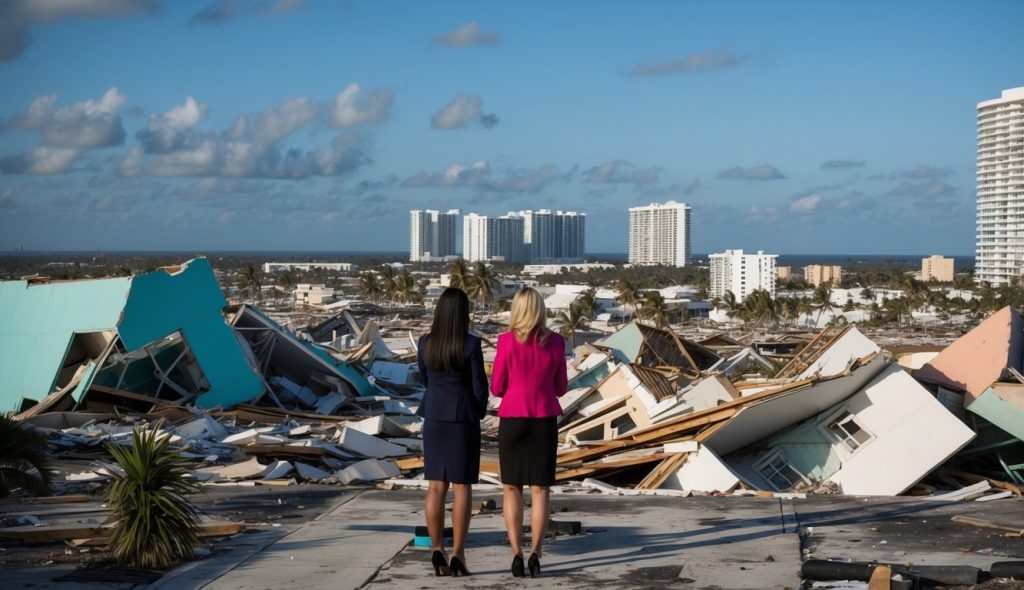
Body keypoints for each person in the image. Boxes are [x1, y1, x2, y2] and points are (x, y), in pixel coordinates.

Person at [491, 287, 568, 578]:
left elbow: (497, 387)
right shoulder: (557, 342)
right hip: (544, 417)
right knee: (540, 489)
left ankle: (516, 553)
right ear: (540, 310)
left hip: (512, 418)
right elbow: (561, 387)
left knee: (511, 487)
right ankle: (536, 552)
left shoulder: (506, 342)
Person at [416, 287, 488, 577]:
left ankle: (436, 549)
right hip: (462, 419)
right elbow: (479, 386)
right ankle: (458, 553)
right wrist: (478, 411)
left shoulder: (425, 343)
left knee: (435, 487)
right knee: (461, 487)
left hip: (433, 417)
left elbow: (424, 378)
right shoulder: (471, 344)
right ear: (463, 314)